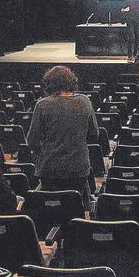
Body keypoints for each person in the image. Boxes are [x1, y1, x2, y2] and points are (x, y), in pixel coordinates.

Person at [26, 65, 100, 207]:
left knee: (52, 207)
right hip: (78, 168)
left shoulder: (42, 105)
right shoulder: (84, 102)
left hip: (49, 169)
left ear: (49, 84)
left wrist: (44, 153)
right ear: (71, 81)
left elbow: (32, 141)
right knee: (74, 206)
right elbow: (94, 135)